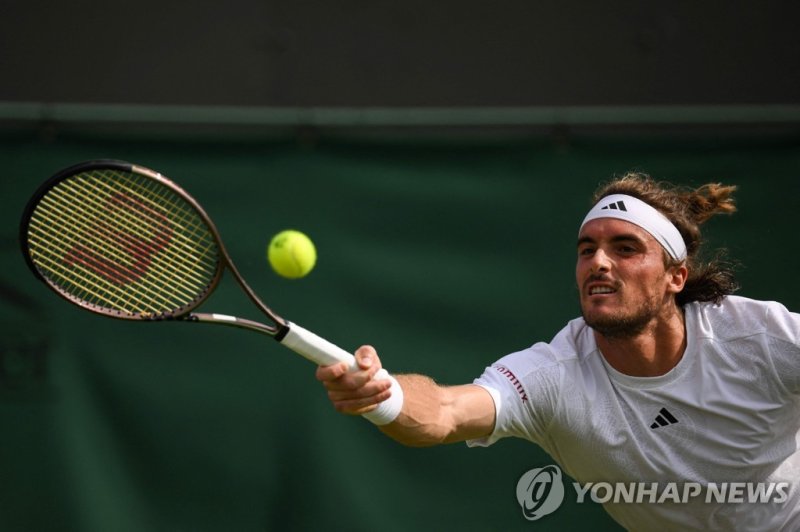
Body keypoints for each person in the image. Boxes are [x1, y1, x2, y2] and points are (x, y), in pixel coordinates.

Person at [315, 172, 800, 531]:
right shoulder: (554, 377)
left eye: (625, 248)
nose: (599, 262)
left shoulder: (760, 339)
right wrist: (384, 396)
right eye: (587, 249)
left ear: (675, 276)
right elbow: (444, 411)